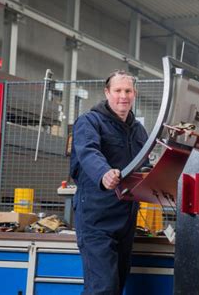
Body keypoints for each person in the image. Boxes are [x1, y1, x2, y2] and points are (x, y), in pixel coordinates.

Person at [70, 70, 148, 295]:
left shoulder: (138, 130)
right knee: (102, 289)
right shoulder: (89, 122)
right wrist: (104, 173)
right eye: (118, 90)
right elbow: (88, 153)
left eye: (128, 91)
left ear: (134, 94)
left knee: (117, 286)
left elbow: (143, 165)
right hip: (96, 220)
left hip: (125, 219)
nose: (123, 96)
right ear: (107, 92)